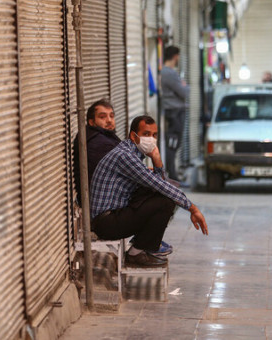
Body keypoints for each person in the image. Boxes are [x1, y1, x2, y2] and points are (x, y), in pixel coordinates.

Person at [90, 115, 208, 267]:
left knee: (163, 196)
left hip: (114, 216)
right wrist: (193, 208)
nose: (151, 139)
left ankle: (143, 246)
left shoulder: (131, 153)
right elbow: (160, 185)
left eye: (154, 135)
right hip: (107, 223)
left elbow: (157, 184)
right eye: (146, 134)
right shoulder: (125, 156)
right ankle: (136, 253)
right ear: (134, 136)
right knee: (166, 202)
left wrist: (157, 160)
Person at [73, 100, 174, 256]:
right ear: (91, 122)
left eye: (112, 116)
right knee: (164, 198)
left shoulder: (104, 138)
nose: (109, 120)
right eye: (103, 117)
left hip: (112, 205)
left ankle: (147, 241)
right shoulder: (98, 143)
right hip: (107, 214)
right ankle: (141, 247)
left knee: (162, 190)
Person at [161, 45, 189, 183]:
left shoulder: (167, 72)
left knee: (173, 144)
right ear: (175, 56)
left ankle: (172, 175)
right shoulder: (169, 73)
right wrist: (184, 86)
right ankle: (172, 177)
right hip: (175, 113)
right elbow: (184, 92)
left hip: (174, 112)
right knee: (172, 144)